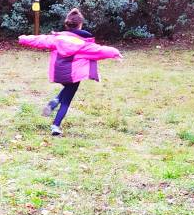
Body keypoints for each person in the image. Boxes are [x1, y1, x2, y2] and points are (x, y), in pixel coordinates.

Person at [18, 8, 122, 136]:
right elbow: (99, 50)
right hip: (73, 75)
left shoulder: (58, 39)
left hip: (58, 74)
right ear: (80, 24)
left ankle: (55, 101)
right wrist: (115, 53)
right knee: (67, 100)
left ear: (67, 25)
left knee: (66, 89)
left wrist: (23, 38)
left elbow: (40, 40)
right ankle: (55, 125)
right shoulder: (83, 44)